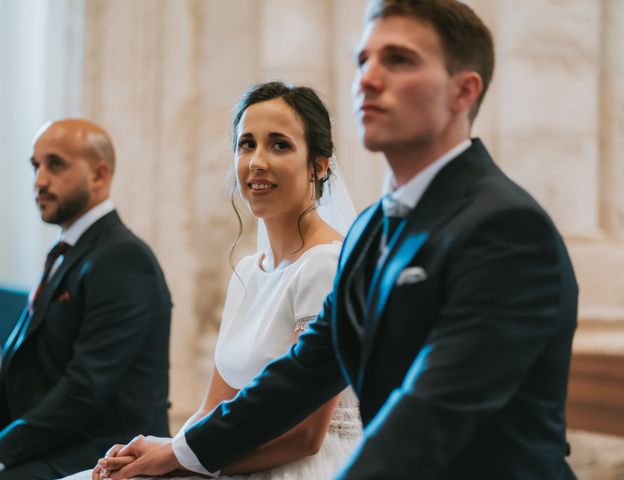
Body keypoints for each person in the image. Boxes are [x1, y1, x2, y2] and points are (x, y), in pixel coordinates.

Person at [98, 0, 579, 478]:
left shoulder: (506, 229)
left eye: (399, 60)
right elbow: (300, 375)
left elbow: (430, 418)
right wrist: (179, 454)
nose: (367, 78)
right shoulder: (370, 229)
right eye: (362, 61)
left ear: (463, 91)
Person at [69, 83, 361, 480]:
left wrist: (179, 463)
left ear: (319, 165)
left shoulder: (326, 264)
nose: (257, 161)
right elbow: (212, 407)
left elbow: (306, 435)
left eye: (279, 145)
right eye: (246, 144)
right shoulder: (246, 270)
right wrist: (161, 455)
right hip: (229, 458)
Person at [0, 119, 172, 479]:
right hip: (57, 441)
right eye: (36, 166)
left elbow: (84, 389)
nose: (39, 181)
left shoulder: (123, 258)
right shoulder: (68, 250)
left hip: (104, 451)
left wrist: (5, 449)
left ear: (98, 175)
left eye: (55, 164)